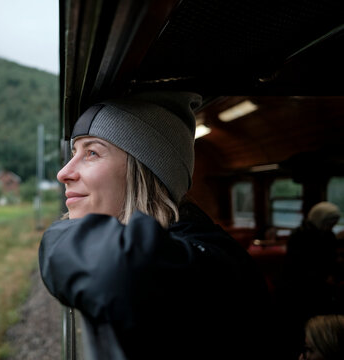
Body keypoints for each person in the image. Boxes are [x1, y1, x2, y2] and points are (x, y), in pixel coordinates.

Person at [38, 91, 274, 359]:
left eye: (92, 152)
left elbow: (116, 273)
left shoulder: (213, 265)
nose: (63, 173)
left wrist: (58, 238)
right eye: (73, 153)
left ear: (143, 171)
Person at [275, 202, 342, 358]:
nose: (331, 226)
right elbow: (297, 267)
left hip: (321, 288)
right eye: (329, 222)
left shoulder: (329, 235)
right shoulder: (300, 236)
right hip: (299, 290)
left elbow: (332, 260)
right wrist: (323, 277)